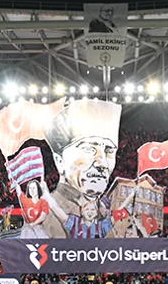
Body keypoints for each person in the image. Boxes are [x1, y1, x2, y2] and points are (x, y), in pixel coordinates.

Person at [41, 99, 122, 238]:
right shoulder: (50, 216)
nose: (102, 163)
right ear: (60, 161)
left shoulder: (104, 209)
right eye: (89, 149)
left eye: (109, 151)